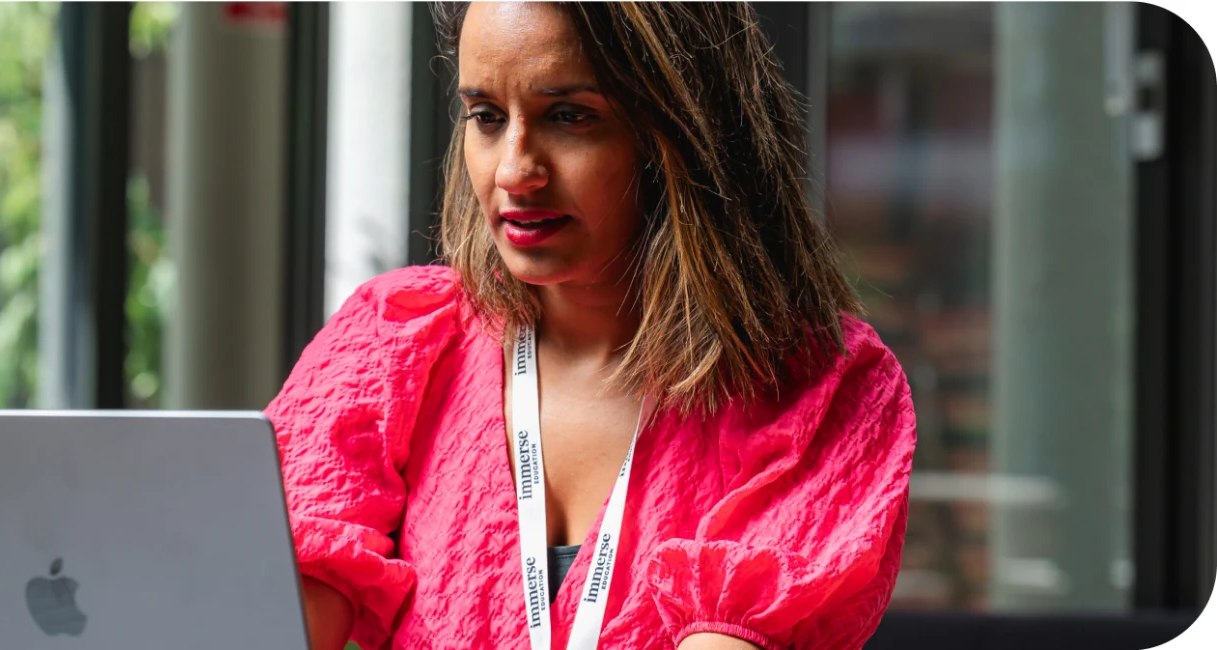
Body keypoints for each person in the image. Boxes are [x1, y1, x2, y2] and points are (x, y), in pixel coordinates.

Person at [270, 3, 917, 650]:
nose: (514, 171)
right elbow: (269, 625)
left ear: (680, 128)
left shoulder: (817, 388)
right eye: (487, 117)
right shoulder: (394, 345)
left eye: (570, 116)